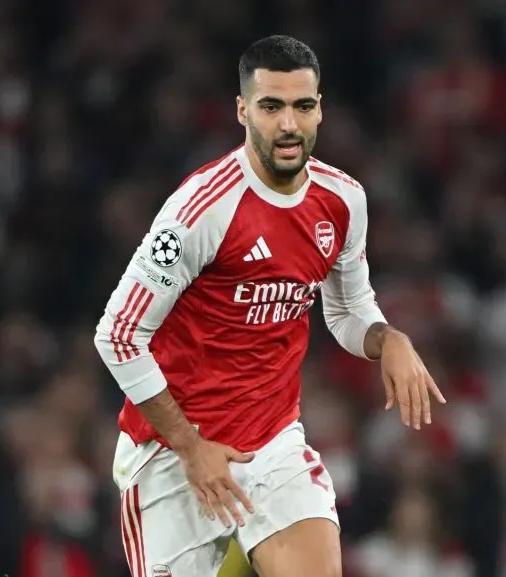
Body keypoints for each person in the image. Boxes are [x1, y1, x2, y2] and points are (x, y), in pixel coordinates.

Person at [94, 35, 444, 577]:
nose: (288, 124)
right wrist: (191, 447)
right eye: (271, 106)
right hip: (171, 455)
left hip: (272, 442)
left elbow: (349, 310)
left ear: (320, 109)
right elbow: (117, 333)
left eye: (302, 106)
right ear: (242, 111)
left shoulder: (343, 200)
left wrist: (388, 339)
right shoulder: (200, 209)